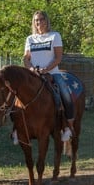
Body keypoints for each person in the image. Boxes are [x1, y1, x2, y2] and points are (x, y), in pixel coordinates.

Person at [23, 10, 75, 143]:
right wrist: (31, 69)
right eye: (36, 20)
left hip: (52, 73)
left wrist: (47, 69)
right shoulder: (30, 39)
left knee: (65, 95)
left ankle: (68, 126)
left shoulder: (54, 36)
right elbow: (26, 58)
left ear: (46, 21)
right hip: (34, 75)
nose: (39, 22)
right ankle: (17, 128)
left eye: (41, 19)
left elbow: (58, 57)